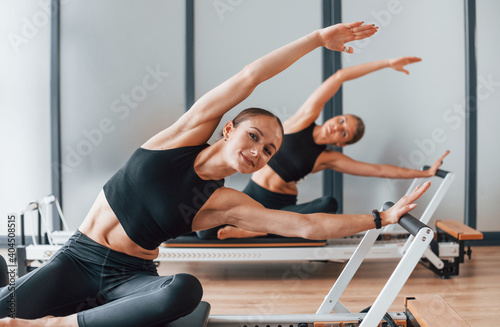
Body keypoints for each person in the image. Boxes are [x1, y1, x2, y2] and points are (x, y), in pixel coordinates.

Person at [0, 22, 431, 327]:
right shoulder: (183, 136)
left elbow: (305, 224)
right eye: (254, 137)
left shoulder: (225, 203)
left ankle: (58, 325)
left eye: (268, 150)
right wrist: (317, 39)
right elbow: (251, 76)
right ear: (228, 129)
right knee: (6, 305)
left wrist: (381, 218)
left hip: (129, 278)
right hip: (78, 258)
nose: (258, 152)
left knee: (183, 290)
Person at [206, 57, 449, 240]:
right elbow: (339, 77)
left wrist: (424, 173)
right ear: (336, 117)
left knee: (328, 204)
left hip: (283, 204)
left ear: (342, 143)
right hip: (254, 194)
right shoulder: (302, 120)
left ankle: (253, 232)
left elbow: (378, 170)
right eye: (342, 121)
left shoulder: (327, 157)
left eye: (345, 133)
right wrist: (386, 63)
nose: (339, 127)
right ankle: (259, 227)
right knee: (204, 234)